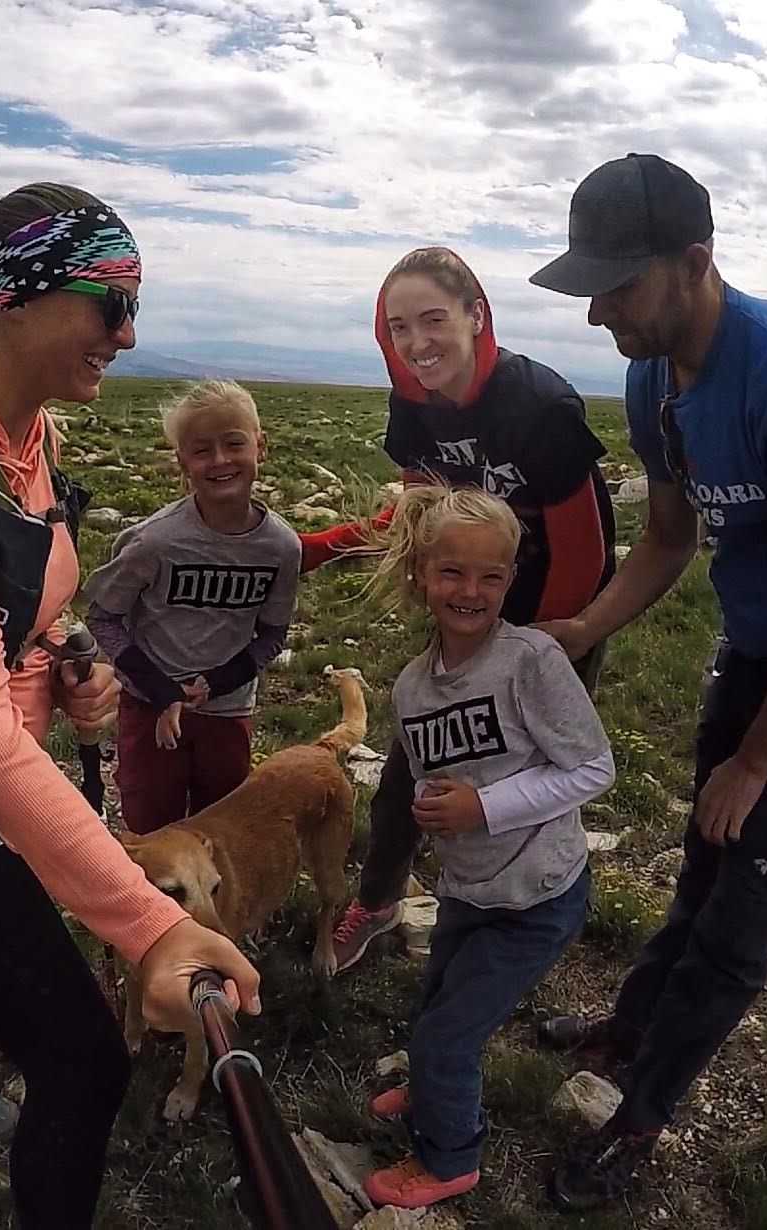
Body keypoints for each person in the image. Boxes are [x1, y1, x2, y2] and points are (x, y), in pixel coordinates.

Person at [0, 183, 260, 1229]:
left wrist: (69, 658)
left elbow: (15, 606)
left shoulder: (26, 444)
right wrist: (150, 927)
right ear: (12, 298)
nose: (126, 330)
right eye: (107, 299)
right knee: (81, 1061)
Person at [525, 153, 767, 1209]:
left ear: (695, 261)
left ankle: (643, 1115)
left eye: (619, 284)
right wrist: (585, 626)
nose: (599, 310)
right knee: (704, 852)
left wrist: (757, 761)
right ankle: (635, 1020)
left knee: (743, 913)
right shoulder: (654, 374)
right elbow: (666, 536)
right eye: (590, 286)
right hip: (759, 641)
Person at [301, 246, 617, 974]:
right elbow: (420, 519)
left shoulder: (539, 407)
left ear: (476, 316)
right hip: (467, 608)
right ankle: (378, 905)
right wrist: (317, 546)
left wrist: (523, 654)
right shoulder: (413, 412)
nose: (417, 343)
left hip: (555, 624)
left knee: (527, 775)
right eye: (398, 327)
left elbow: (584, 556)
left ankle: (522, 924)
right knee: (415, 769)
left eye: (433, 319)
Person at [352, 485, 613, 1210]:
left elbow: (593, 768)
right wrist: (433, 806)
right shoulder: (411, 687)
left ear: (509, 580)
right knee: (434, 1003)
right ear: (419, 577)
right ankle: (436, 1085)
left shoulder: (529, 660)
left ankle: (448, 1157)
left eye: (490, 577)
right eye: (452, 573)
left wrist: (483, 806)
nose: (470, 591)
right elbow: (437, 774)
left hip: (537, 894)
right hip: (469, 886)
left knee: (446, 1034)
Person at [81, 379, 299, 834]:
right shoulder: (155, 541)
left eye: (233, 444)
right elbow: (103, 616)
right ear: (183, 463)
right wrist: (163, 692)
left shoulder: (281, 547)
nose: (219, 460)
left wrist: (215, 684)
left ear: (261, 447)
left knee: (220, 830)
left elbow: (273, 633)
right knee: (150, 826)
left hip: (227, 710)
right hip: (149, 709)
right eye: (201, 451)